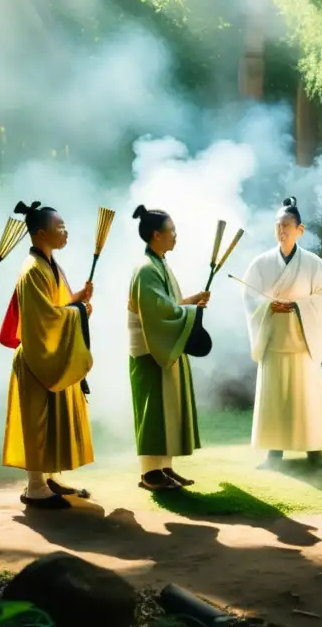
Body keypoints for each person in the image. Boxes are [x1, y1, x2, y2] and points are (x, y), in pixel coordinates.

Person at [0, 200, 94, 509]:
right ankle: (35, 486)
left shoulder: (49, 264)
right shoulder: (32, 269)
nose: (65, 232)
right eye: (60, 228)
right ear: (41, 234)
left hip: (51, 353)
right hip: (37, 357)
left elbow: (57, 306)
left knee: (52, 419)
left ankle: (49, 477)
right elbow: (43, 319)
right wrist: (79, 311)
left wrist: (77, 299)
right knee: (37, 421)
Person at [241, 197, 322, 469]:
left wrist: (296, 306)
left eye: (287, 225)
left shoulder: (314, 264)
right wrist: (270, 306)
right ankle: (274, 453)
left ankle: (315, 451)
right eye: (278, 225)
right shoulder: (261, 263)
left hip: (303, 341)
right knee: (274, 396)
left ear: (300, 230)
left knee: (308, 395)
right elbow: (249, 296)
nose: (282, 230)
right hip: (274, 339)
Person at [128, 205, 212, 491]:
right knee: (155, 412)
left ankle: (164, 467)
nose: (175, 235)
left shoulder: (159, 264)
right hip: (150, 350)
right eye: (171, 231)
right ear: (156, 235)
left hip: (161, 347)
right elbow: (158, 313)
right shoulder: (146, 269)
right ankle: (150, 474)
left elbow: (168, 306)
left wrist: (190, 302)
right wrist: (187, 311)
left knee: (167, 410)